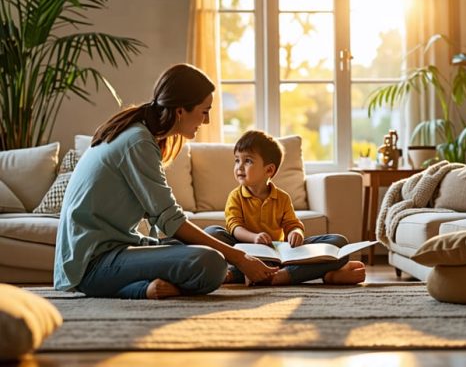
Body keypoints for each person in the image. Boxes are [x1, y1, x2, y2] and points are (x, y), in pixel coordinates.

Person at [54, 64, 277, 300]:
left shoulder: (141, 134)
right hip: (93, 264)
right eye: (204, 111)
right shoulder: (137, 141)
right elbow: (171, 220)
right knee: (211, 261)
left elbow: (162, 220)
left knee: (217, 235)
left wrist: (231, 253)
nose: (208, 120)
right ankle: (140, 289)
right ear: (180, 110)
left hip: (119, 247)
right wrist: (239, 258)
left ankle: (159, 281)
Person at [205, 130, 366, 285]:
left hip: (276, 252)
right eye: (237, 160)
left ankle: (281, 275)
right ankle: (260, 273)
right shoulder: (236, 196)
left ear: (269, 170)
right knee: (212, 233)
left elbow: (292, 225)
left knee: (339, 243)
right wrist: (254, 238)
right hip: (244, 252)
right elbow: (234, 227)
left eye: (248, 161)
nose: (239, 167)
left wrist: (296, 233)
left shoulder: (282, 198)